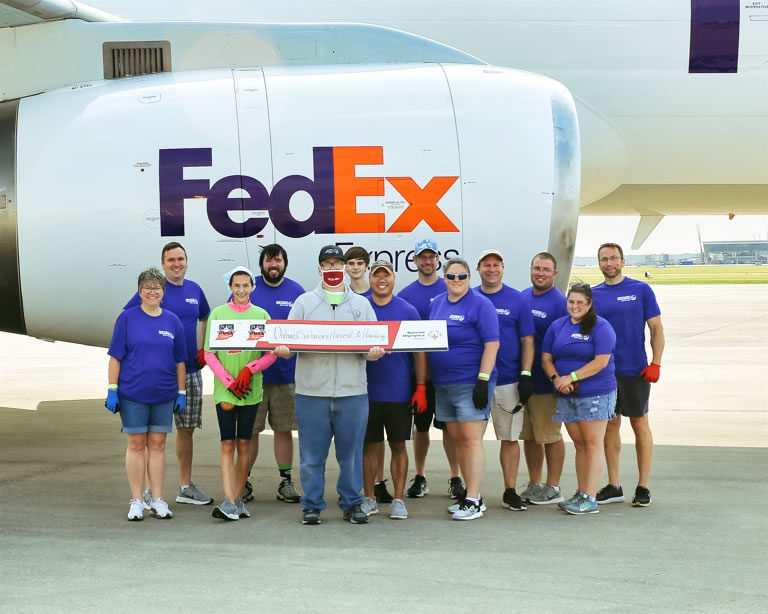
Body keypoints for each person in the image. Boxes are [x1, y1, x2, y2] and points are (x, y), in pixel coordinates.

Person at [273, 245, 384, 526]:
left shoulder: (361, 305)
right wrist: (284, 348)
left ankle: (352, 502)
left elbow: (374, 342)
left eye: (338, 263)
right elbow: (287, 338)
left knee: (351, 455)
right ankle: (312, 505)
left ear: (346, 267)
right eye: (327, 263)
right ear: (319, 268)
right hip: (312, 393)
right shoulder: (304, 303)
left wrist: (373, 351)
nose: (333, 268)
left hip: (352, 392)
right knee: (311, 456)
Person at [122, 242, 213, 508]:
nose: (176, 264)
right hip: (158, 375)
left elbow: (206, 317)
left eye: (180, 258)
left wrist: (204, 348)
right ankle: (149, 492)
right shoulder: (154, 290)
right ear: (163, 264)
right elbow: (124, 317)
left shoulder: (195, 290)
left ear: (187, 261)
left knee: (186, 430)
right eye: (171, 260)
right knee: (152, 436)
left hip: (190, 371)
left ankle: (185, 486)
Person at [107, 267, 187, 521]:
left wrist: (181, 391)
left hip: (164, 394)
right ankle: (137, 500)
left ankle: (158, 499)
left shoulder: (172, 321)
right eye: (147, 287)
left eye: (157, 288)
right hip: (133, 394)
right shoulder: (127, 319)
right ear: (139, 292)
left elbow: (180, 361)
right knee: (136, 444)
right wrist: (112, 389)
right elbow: (115, 357)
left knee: (158, 446)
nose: (152, 292)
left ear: (163, 292)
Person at [592, 242, 665, 507]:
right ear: (599, 263)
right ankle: (614, 485)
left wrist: (656, 363)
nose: (608, 263)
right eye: (603, 259)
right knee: (610, 426)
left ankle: (643, 485)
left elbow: (656, 329)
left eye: (613, 258)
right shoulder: (593, 294)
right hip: (604, 373)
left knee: (639, 425)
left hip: (635, 371)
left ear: (622, 261)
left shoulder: (640, 290)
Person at [429, 258, 499, 521]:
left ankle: (474, 499)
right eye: (451, 276)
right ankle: (471, 495)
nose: (456, 281)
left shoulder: (481, 304)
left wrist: (482, 379)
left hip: (471, 383)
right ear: (444, 278)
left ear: (470, 278)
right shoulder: (437, 303)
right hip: (443, 384)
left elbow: (492, 344)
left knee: (471, 440)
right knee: (458, 440)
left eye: (462, 277)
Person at [205, 268, 277, 521]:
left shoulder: (261, 315)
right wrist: (227, 380)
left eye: (246, 285)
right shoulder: (218, 313)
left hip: (251, 391)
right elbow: (209, 353)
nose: (241, 291)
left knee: (245, 444)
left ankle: (238, 499)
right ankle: (228, 500)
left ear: (253, 287)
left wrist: (250, 369)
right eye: (237, 286)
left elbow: (270, 353)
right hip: (226, 391)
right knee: (227, 444)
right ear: (231, 287)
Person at [542, 282, 617, 515]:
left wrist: (571, 377)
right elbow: (546, 358)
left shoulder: (601, 327)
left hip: (595, 393)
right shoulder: (557, 326)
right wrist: (557, 379)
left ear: (590, 303)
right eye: (571, 302)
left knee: (592, 445)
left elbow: (601, 361)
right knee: (580, 445)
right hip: (566, 394)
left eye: (580, 302)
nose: (575, 306)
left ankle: (590, 497)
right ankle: (582, 492)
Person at [399, 239, 464, 501]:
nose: (427, 261)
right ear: (414, 261)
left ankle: (455, 477)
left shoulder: (449, 286)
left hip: (446, 374)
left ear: (438, 258)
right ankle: (421, 476)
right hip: (418, 376)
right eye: (421, 257)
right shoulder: (405, 295)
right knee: (421, 428)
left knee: (450, 427)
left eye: (431, 257)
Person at [361, 261, 426, 520]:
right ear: (370, 278)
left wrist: (420, 386)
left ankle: (398, 500)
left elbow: (420, 351)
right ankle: (369, 498)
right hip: (365, 392)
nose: (381, 280)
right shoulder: (360, 308)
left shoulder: (408, 310)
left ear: (393, 277)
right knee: (368, 448)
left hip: (398, 393)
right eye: (376, 275)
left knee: (398, 446)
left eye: (385, 275)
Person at [242, 244, 304, 505]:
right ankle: (242, 480)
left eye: (278, 260)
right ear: (262, 265)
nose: (273, 265)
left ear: (284, 263)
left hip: (285, 377)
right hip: (253, 377)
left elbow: (304, 332)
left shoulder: (297, 292)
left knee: (283, 430)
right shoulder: (248, 289)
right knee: (250, 432)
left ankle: (286, 481)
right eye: (269, 261)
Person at [475, 250, 535, 512]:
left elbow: (527, 340)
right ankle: (470, 490)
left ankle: (510, 489)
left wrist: (526, 374)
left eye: (496, 265)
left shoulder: (517, 299)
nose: (491, 269)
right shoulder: (470, 297)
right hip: (475, 380)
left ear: (503, 268)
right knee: (470, 439)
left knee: (509, 438)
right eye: (486, 265)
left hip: (508, 379)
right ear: (478, 269)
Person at [519, 252, 567, 505]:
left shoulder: (559, 303)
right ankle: (535, 483)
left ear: (554, 274)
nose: (540, 273)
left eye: (545, 269)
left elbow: (563, 344)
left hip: (546, 384)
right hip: (524, 381)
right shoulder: (523, 296)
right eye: (536, 268)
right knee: (530, 436)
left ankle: (554, 485)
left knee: (550, 436)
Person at [344, 245, 391, 503]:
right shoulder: (340, 294)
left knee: (376, 435)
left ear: (366, 266)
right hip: (353, 370)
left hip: (378, 366)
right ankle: (357, 482)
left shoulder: (374, 294)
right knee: (359, 435)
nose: (354, 268)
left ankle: (379, 480)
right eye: (350, 263)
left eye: (359, 264)